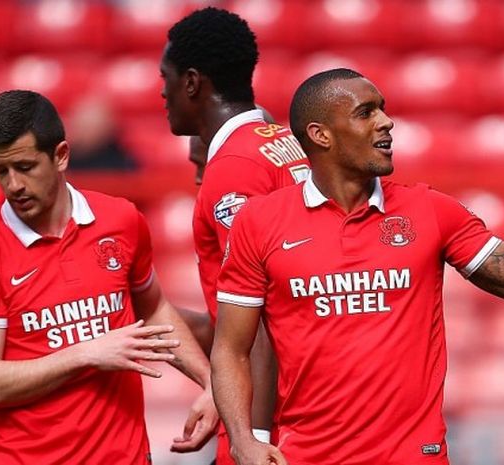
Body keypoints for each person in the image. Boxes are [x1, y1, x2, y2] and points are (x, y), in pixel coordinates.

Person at [210, 67, 504, 465]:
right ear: (320, 134)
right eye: (366, 113)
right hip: (306, 457)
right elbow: (230, 349)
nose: (387, 122)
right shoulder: (259, 221)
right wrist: (244, 440)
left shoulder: (430, 210)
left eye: (382, 109)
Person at [0, 89, 218, 465]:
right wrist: (85, 354)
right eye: (0, 170)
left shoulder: (120, 220)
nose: (13, 186)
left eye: (24, 167)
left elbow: (153, 310)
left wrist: (211, 384)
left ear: (60, 156)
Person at [160, 7, 310, 461]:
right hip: (306, 404)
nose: (161, 93)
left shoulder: (233, 171)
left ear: (191, 82)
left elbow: (258, 316)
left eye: (164, 77)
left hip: (270, 416)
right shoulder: (282, 142)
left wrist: (253, 439)